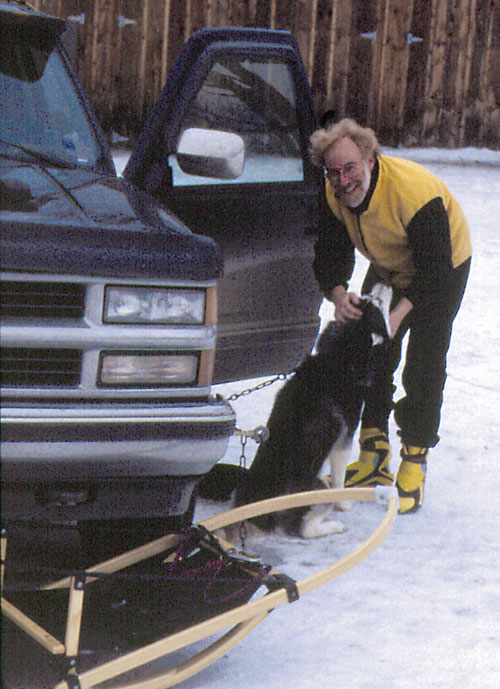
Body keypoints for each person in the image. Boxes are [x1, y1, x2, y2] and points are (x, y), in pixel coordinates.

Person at [310, 118, 472, 513]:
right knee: (372, 354)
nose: (342, 179)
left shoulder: (414, 194)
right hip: (390, 265)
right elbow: (330, 252)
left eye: (350, 168)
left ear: (370, 158)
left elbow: (434, 271)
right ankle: (373, 453)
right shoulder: (334, 194)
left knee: (423, 363)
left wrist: (398, 315)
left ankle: (415, 459)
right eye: (333, 171)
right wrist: (337, 294)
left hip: (443, 266)